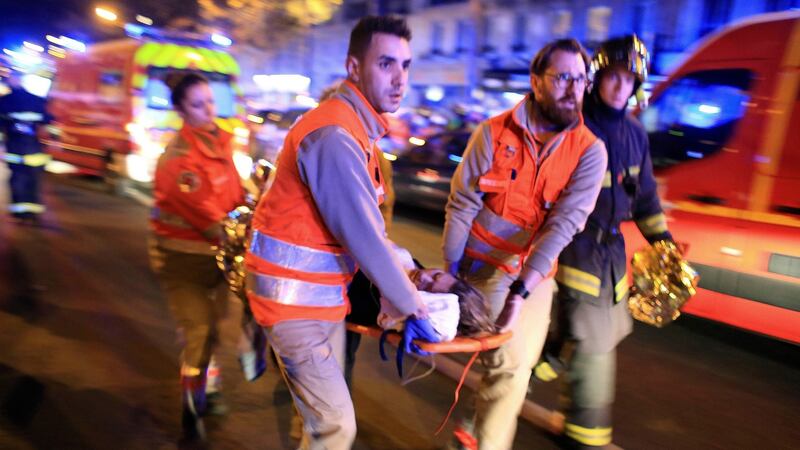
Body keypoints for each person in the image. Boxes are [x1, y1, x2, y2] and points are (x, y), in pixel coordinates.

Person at [244, 15, 440, 449]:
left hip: (318, 298)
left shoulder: (355, 130)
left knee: (316, 425)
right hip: (294, 305)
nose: (399, 78)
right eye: (386, 64)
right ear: (354, 67)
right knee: (335, 427)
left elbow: (367, 228)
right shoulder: (335, 134)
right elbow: (363, 236)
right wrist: (413, 307)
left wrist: (408, 270)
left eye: (405, 65)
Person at [443, 38, 608, 450]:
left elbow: (564, 224)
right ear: (536, 81)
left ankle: (482, 440)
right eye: (563, 77)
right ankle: (477, 425)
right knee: (495, 359)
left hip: (527, 276)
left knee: (513, 364)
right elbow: (461, 204)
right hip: (474, 270)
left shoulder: (590, 152)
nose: (575, 88)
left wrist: (521, 291)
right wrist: (448, 274)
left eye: (582, 79)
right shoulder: (493, 134)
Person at [534, 35, 676, 449]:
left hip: (611, 255)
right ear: (597, 78)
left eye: (629, 79)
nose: (620, 86)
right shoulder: (574, 125)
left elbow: (645, 196)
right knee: (593, 343)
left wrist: (662, 242)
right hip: (573, 248)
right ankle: (585, 436)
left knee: (592, 335)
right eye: (613, 76)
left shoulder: (635, 134)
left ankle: (521, 374)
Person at [149, 72, 245, 441]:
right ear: (181, 111)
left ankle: (210, 385)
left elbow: (236, 196)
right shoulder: (179, 159)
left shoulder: (221, 146)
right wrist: (245, 231)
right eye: (198, 104)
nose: (209, 109)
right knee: (200, 330)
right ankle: (192, 411)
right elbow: (209, 217)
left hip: (217, 259)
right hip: (182, 261)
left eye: (210, 100)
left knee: (213, 326)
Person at [0, 71, 51, 224]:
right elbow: (48, 121)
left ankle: (21, 213)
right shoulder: (37, 100)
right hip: (34, 150)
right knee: (33, 180)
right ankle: (32, 212)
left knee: (17, 179)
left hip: (16, 148)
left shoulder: (5, 101)